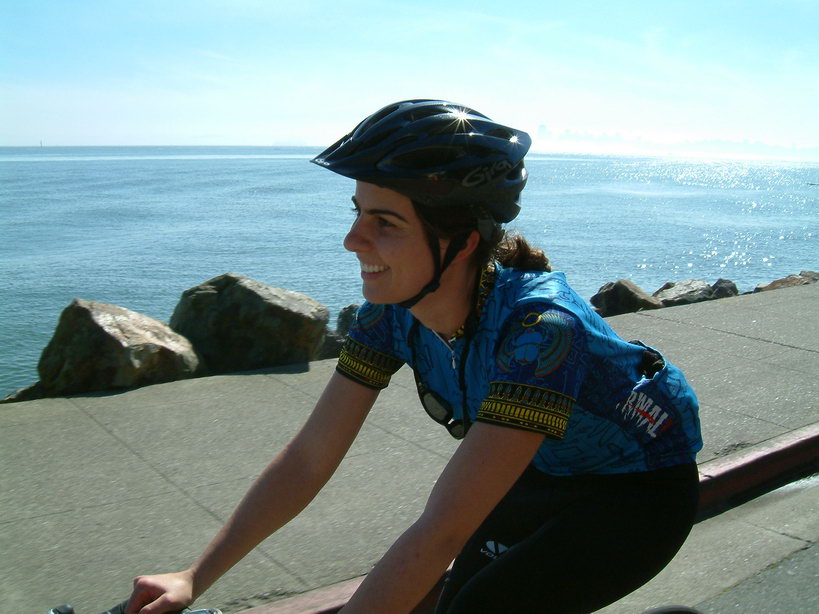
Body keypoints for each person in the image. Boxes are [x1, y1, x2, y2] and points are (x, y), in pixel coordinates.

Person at [125, 100, 703, 614]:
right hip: (545, 470)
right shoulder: (391, 313)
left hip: (638, 491)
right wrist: (194, 577)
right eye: (357, 212)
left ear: (463, 242)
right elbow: (310, 457)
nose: (353, 239)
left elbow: (440, 530)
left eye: (385, 222)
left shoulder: (542, 332)